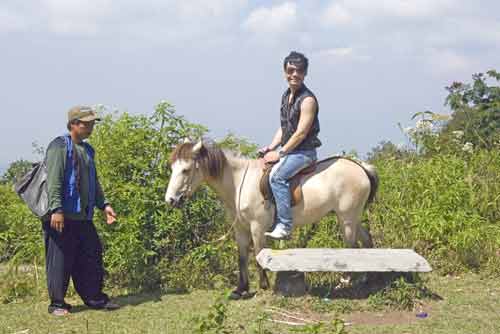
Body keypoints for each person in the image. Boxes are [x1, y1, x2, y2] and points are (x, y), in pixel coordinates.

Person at [44, 105, 119, 316]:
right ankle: (57, 304)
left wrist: (104, 205)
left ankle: (94, 298)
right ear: (74, 124)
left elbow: (93, 182)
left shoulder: (87, 150)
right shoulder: (59, 146)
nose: (91, 126)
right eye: (87, 123)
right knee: (60, 260)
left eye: (92, 123)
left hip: (84, 217)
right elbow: (54, 182)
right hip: (62, 216)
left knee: (91, 256)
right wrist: (56, 209)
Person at [262, 51, 321, 240]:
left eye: (299, 71)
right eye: (291, 70)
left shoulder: (308, 100)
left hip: (304, 152)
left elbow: (301, 133)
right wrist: (270, 147)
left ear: (305, 74)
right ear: (284, 71)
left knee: (277, 177)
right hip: (291, 150)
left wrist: (280, 154)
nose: (294, 74)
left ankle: (285, 225)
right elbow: (284, 127)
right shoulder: (286, 96)